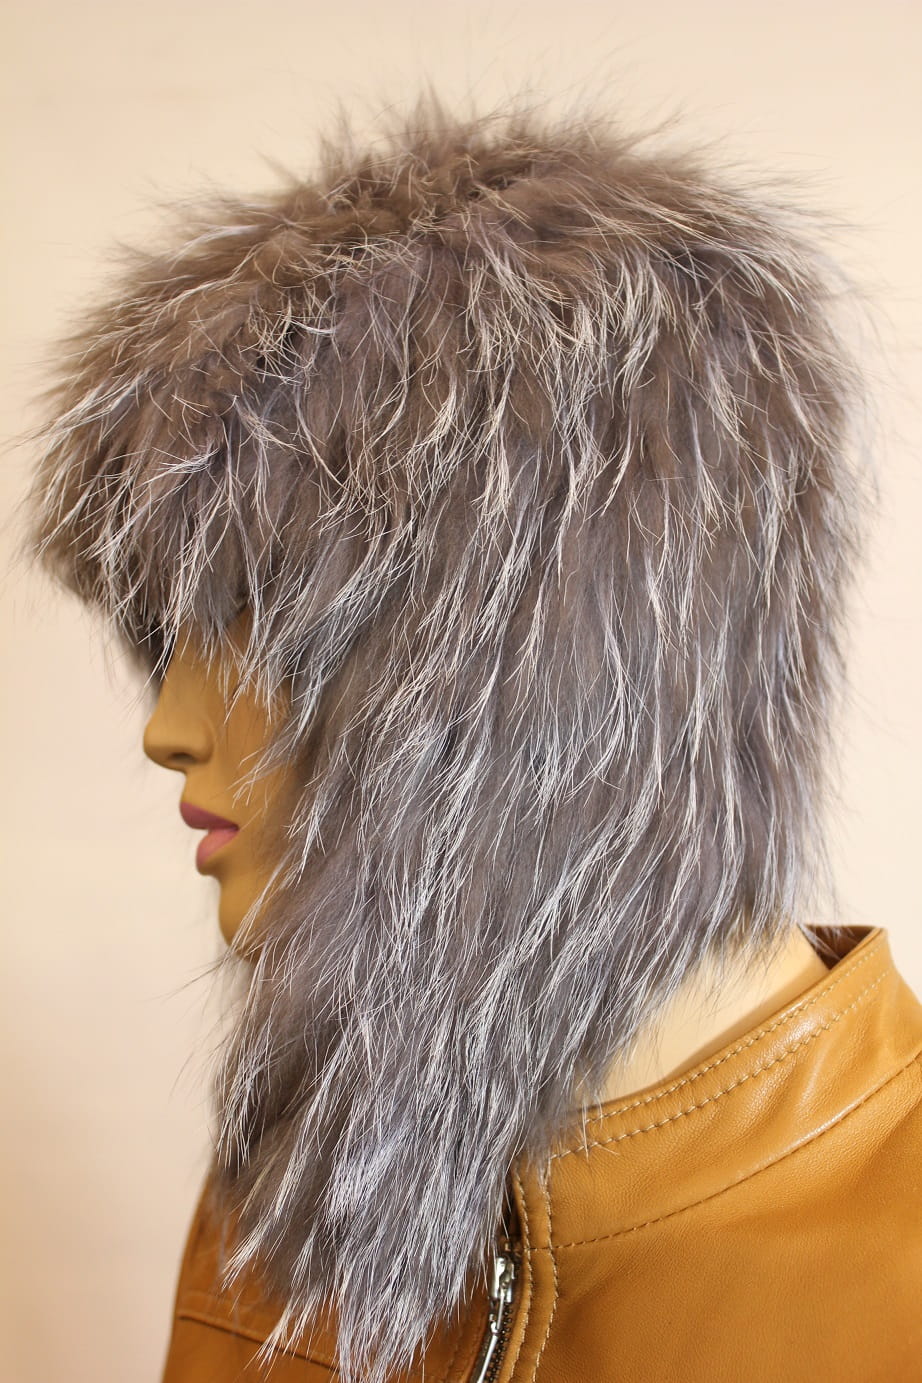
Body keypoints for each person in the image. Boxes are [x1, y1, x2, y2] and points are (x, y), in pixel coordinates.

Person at [21, 96, 922, 1382]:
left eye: (256, 618)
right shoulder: (283, 1209)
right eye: (171, 639)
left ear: (525, 679)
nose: (167, 730)